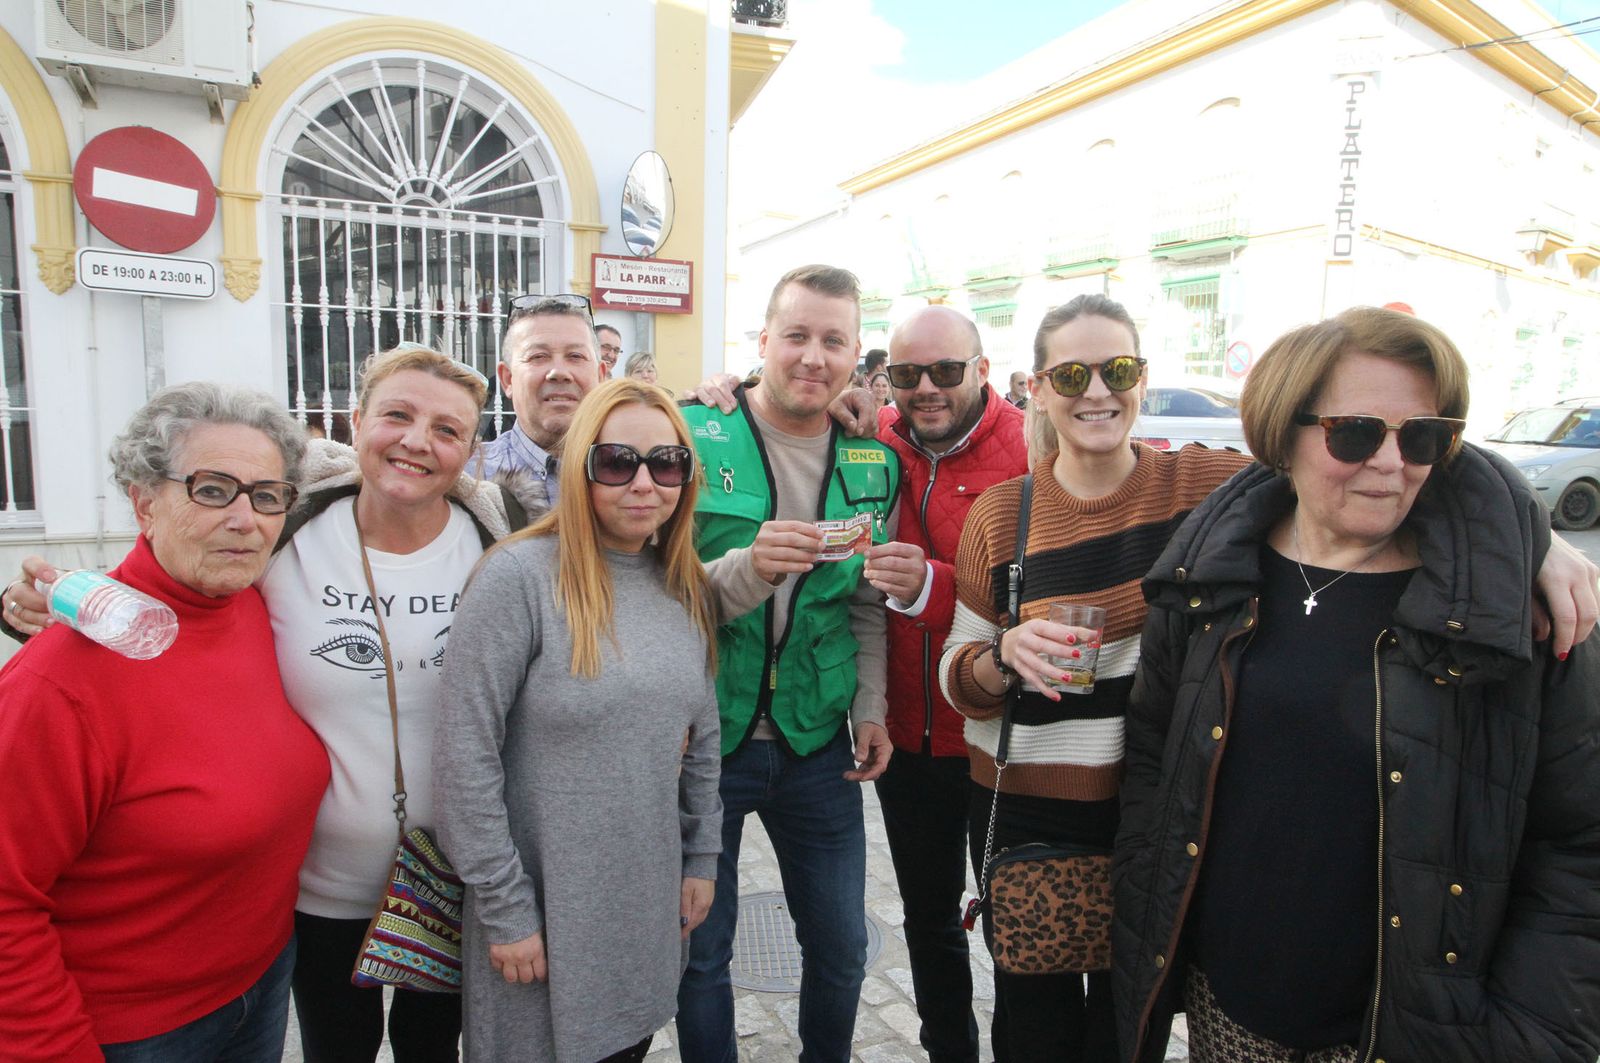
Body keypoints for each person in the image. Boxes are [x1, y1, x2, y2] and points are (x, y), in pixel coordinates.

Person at [938, 295, 1599, 1063]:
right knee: (1043, 1033)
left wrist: (1532, 534)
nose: (1097, 390)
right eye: (1073, 373)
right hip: (1069, 836)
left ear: (1142, 379)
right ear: (1038, 387)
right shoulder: (1011, 515)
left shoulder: (1198, 494)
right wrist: (1002, 654)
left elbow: (1572, 846)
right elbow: (972, 675)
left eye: (1118, 369)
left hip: (1357, 985)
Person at [0, 383, 329, 1062]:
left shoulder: (258, 605)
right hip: (134, 1030)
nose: (247, 519)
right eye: (213, 489)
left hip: (261, 983)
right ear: (144, 501)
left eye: (268, 495)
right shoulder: (59, 683)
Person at [436, 378, 722, 1063]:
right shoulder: (519, 579)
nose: (644, 483)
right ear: (579, 468)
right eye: (618, 461)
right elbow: (463, 756)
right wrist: (506, 908)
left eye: (667, 463)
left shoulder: (682, 584)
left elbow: (703, 739)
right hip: (541, 917)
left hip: (644, 911)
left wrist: (702, 857)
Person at [676, 264, 899, 1063]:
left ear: (853, 354)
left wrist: (870, 706)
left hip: (817, 744)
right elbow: (656, 595)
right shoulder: (692, 432)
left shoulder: (875, 462)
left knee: (841, 948)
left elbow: (867, 601)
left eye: (833, 340)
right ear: (762, 340)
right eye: (796, 335)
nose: (813, 356)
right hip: (707, 739)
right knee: (701, 955)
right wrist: (749, 567)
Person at [864, 305, 1028, 1063]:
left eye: (946, 371)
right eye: (906, 375)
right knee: (929, 920)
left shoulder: (1030, 448)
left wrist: (933, 587)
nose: (925, 389)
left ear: (984, 370)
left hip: (1004, 739)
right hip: (910, 736)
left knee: (1019, 927)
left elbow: (1047, 592)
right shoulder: (877, 442)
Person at [474, 294, 604, 505]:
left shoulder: (638, 473)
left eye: (575, 356)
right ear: (508, 379)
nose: (559, 372)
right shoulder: (468, 480)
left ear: (600, 376)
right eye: (538, 357)